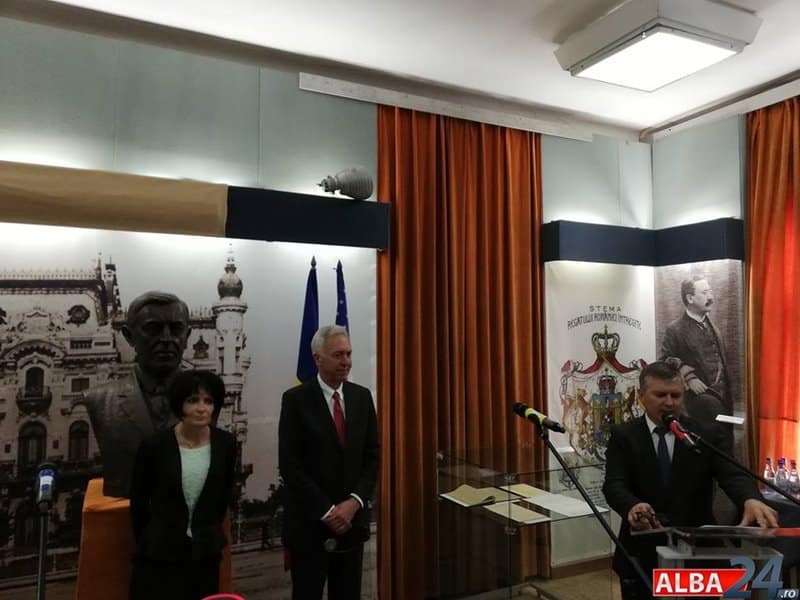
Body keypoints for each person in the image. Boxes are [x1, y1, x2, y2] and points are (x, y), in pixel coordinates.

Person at [603, 361, 778, 600]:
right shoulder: (623, 435)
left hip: (698, 550)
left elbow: (732, 473)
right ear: (641, 396)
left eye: (676, 395)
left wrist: (750, 498)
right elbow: (614, 484)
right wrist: (632, 505)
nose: (669, 402)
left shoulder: (704, 433)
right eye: (660, 395)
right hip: (642, 549)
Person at [278, 325, 379, 600]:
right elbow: (290, 465)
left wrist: (353, 503)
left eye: (348, 354)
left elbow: (372, 457)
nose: (346, 361)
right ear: (317, 358)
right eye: (338, 355)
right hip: (309, 526)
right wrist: (328, 511)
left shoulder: (361, 397)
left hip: (352, 525)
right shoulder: (295, 400)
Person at [128, 370, 236, 600]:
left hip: (205, 553)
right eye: (193, 400)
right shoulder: (155, 446)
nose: (201, 408)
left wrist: (207, 533)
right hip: (160, 554)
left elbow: (223, 496)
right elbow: (139, 502)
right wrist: (149, 541)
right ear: (179, 404)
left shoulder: (226, 444)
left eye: (208, 401)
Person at [81, 291, 191, 497]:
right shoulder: (101, 399)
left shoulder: (206, 398)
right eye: (153, 329)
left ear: (187, 336)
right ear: (129, 336)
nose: (167, 338)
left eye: (176, 329)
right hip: (127, 499)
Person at [659, 276, 731, 427]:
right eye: (704, 293)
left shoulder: (714, 328)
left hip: (724, 403)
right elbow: (665, 360)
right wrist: (689, 377)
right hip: (696, 408)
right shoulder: (675, 330)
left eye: (710, 292)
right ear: (690, 298)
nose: (710, 297)